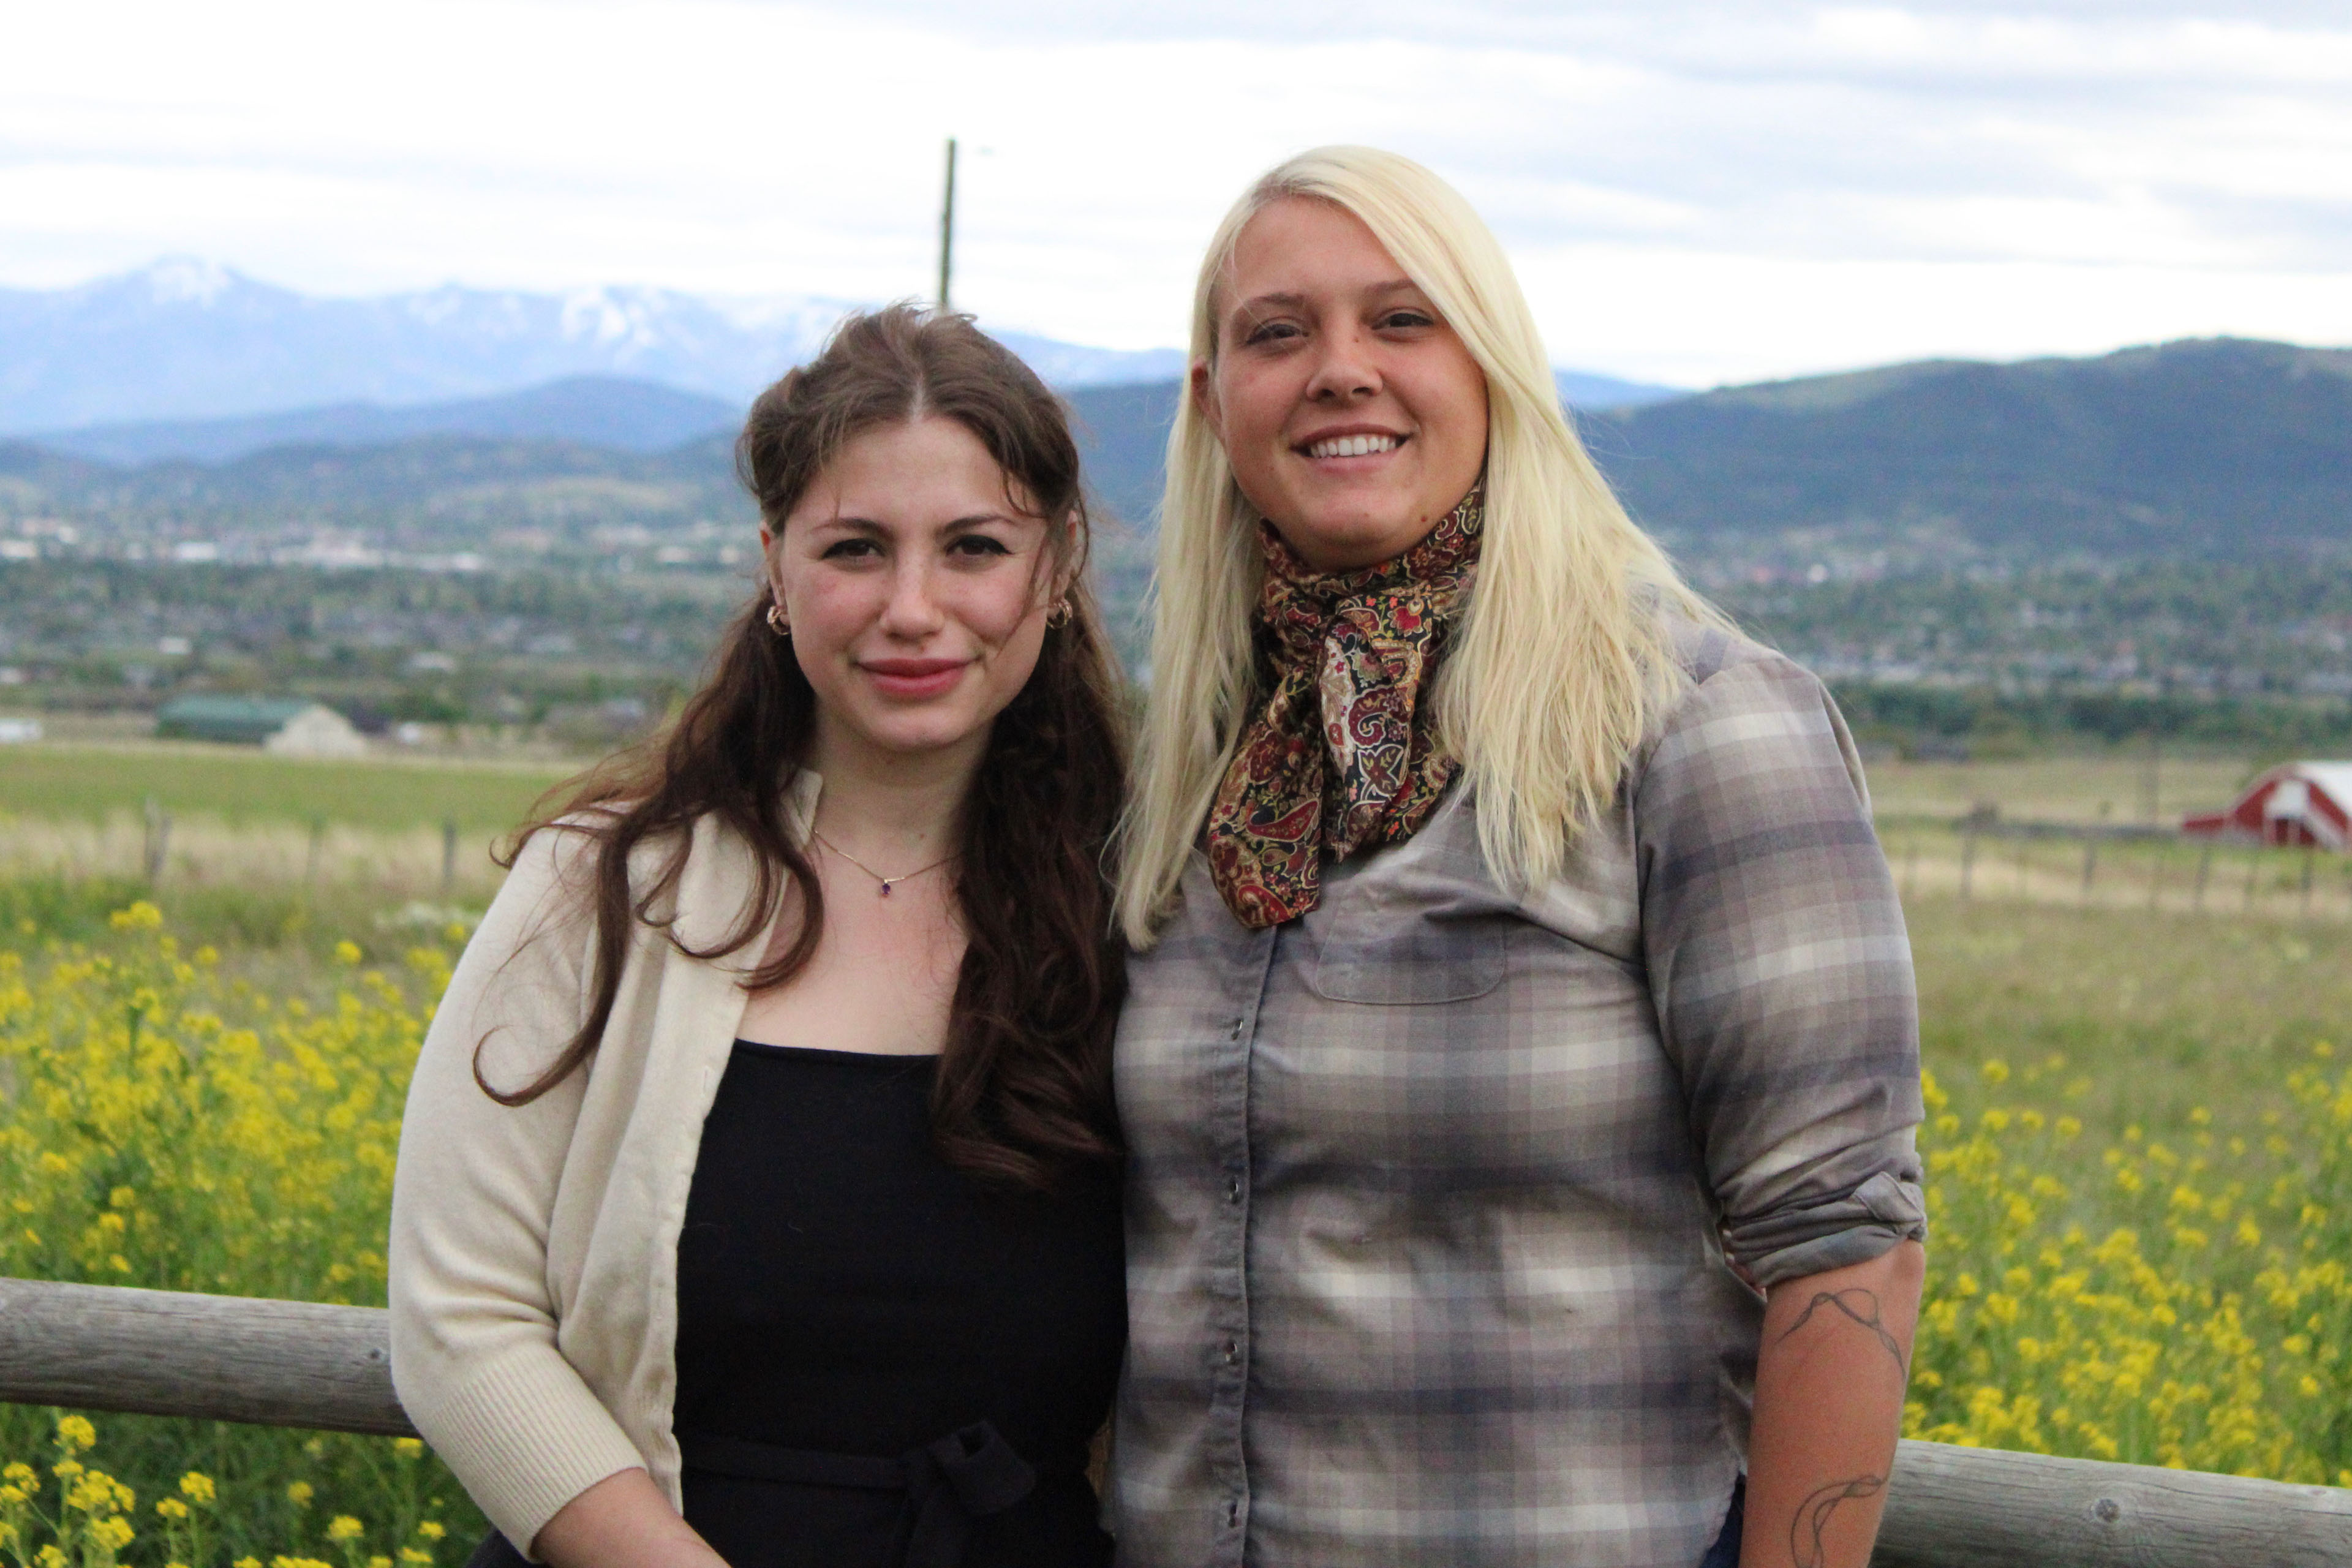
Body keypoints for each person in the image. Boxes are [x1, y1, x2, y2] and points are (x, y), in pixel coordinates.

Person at [1109, 147, 1928, 1568]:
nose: (1342, 369)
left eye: (1403, 319)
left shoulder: (1693, 724)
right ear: (1212, 399)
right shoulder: (1192, 763)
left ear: (1493, 368)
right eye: (1279, 332)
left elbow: (1846, 1244)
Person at [388, 305, 1132, 1568]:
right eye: (856, 548)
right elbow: (462, 1316)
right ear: (776, 568)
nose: (912, 607)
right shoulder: (604, 888)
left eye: (973, 547)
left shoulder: (1146, 907)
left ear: (1055, 567)